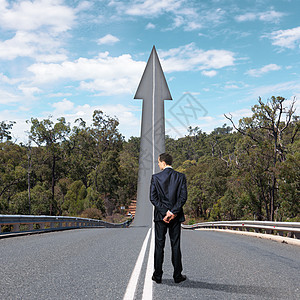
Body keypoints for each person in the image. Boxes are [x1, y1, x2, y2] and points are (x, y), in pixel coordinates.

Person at [150, 153, 187, 284]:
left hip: (161, 217)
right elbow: (183, 197)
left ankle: (158, 275)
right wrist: (172, 212)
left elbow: (153, 198)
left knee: (159, 246)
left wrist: (165, 212)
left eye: (159, 162)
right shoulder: (180, 177)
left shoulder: (155, 178)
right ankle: (177, 275)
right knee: (175, 245)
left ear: (163, 162)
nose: (158, 164)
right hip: (175, 217)